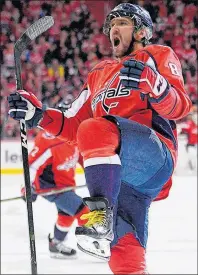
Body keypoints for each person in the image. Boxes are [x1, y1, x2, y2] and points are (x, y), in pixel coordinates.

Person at [8, 3, 192, 274]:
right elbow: (72, 125)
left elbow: (181, 107)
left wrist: (156, 85)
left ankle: (99, 216)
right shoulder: (98, 73)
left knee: (95, 128)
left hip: (153, 155)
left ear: (141, 31)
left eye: (122, 24)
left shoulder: (157, 55)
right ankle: (106, 220)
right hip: (123, 182)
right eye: (111, 26)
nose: (113, 30)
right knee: (124, 257)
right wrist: (36, 115)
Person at [21, 102, 89, 259]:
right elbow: (31, 166)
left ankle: (56, 244)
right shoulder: (48, 140)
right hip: (50, 187)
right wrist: (27, 187)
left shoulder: (76, 134)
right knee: (83, 211)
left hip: (66, 185)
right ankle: (101, 244)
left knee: (66, 214)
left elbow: (82, 158)